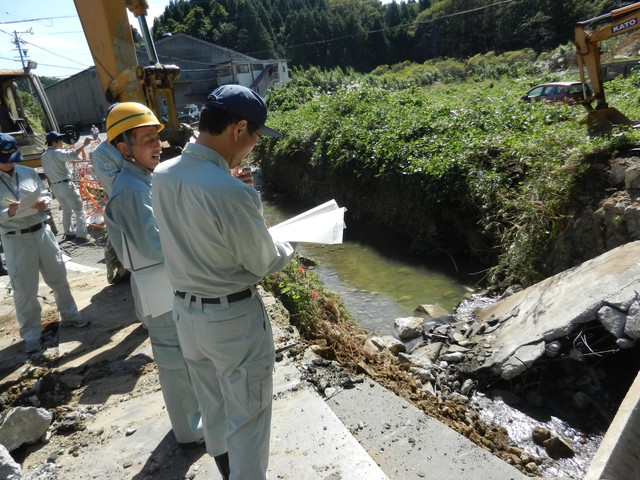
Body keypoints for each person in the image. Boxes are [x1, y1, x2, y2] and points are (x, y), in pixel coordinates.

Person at [152, 84, 295, 480]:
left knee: (211, 403)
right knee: (249, 416)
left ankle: (226, 468)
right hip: (231, 318)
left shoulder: (163, 174)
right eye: (254, 139)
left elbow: (197, 228)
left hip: (184, 311)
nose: (252, 147)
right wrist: (289, 242)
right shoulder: (230, 192)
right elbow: (262, 260)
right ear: (239, 128)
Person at [103, 102, 202, 447]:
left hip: (164, 282)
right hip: (157, 285)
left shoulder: (142, 179)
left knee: (185, 359)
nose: (157, 145)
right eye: (146, 139)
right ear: (123, 147)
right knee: (175, 364)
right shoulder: (130, 189)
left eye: (156, 138)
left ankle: (195, 421)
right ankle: (190, 430)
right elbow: (155, 245)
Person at [0, 133, 88, 354]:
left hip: (41, 232)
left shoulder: (28, 172)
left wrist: (44, 202)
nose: (10, 162)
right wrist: (7, 212)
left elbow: (46, 193)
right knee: (24, 289)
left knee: (59, 277)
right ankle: (31, 335)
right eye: (5, 158)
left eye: (12, 157)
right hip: (16, 237)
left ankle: (70, 315)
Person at [40, 131, 92, 244]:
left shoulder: (44, 156)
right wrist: (84, 145)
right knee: (79, 210)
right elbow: (71, 155)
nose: (62, 143)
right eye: (60, 140)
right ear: (55, 141)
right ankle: (81, 236)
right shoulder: (57, 152)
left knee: (66, 210)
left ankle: (69, 233)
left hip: (55, 186)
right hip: (65, 184)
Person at [91, 134, 129, 284]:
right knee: (119, 236)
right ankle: (115, 270)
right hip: (120, 203)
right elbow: (113, 186)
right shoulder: (103, 152)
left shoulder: (135, 141)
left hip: (138, 197)